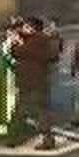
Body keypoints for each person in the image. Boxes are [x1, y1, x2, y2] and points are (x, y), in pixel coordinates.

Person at [7, 16, 57, 149]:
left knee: (41, 110)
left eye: (27, 27)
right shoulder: (24, 40)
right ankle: (14, 137)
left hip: (37, 80)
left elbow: (49, 56)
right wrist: (16, 43)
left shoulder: (41, 41)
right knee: (21, 109)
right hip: (25, 80)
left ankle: (48, 139)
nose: (24, 29)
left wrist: (20, 44)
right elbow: (15, 53)